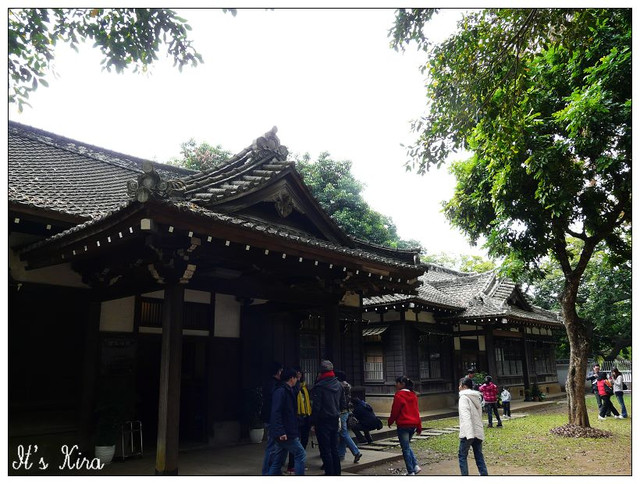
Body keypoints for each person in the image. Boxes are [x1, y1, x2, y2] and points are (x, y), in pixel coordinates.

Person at [266, 368, 307, 475]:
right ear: (291, 378)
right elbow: (276, 412)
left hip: (286, 429)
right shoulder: (281, 391)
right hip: (285, 431)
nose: (297, 380)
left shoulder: (288, 390)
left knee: (278, 461)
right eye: (296, 378)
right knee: (300, 454)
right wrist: (281, 431)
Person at [311, 359, 345, 475]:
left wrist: (312, 422)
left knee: (325, 450)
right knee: (334, 448)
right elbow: (343, 404)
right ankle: (337, 473)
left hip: (322, 421)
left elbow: (316, 407)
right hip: (335, 419)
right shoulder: (339, 385)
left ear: (321, 372)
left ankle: (329, 474)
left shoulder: (319, 386)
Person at [388, 376, 422, 476]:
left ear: (402, 384)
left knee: (405, 448)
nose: (395, 385)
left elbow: (395, 410)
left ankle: (410, 471)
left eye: (397, 383)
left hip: (403, 425)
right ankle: (415, 466)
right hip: (413, 424)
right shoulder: (413, 395)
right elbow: (416, 411)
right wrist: (419, 426)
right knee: (406, 446)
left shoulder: (399, 395)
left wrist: (390, 421)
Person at [457, 377, 489, 476]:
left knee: (462, 456)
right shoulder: (476, 397)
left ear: (464, 386)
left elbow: (466, 416)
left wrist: (469, 435)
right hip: (477, 431)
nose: (458, 387)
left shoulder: (463, 398)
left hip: (468, 433)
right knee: (479, 456)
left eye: (460, 385)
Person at [286, 367, 312, 473]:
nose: (299, 375)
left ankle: (300, 462)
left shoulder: (304, 387)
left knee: (304, 440)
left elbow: (308, 402)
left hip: (306, 416)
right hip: (297, 417)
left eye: (300, 373)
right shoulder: (293, 388)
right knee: (295, 441)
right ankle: (292, 465)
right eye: (297, 374)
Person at [335, 371, 362, 464]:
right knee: (342, 433)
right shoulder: (348, 386)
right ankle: (341, 454)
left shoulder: (339, 386)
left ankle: (356, 452)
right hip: (346, 411)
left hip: (341, 411)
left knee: (343, 433)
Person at [261, 361, 283, 475]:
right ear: (278, 371)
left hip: (268, 417)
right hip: (272, 418)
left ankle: (273, 471)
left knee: (275, 447)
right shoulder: (275, 385)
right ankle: (267, 472)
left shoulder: (269, 383)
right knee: (272, 447)